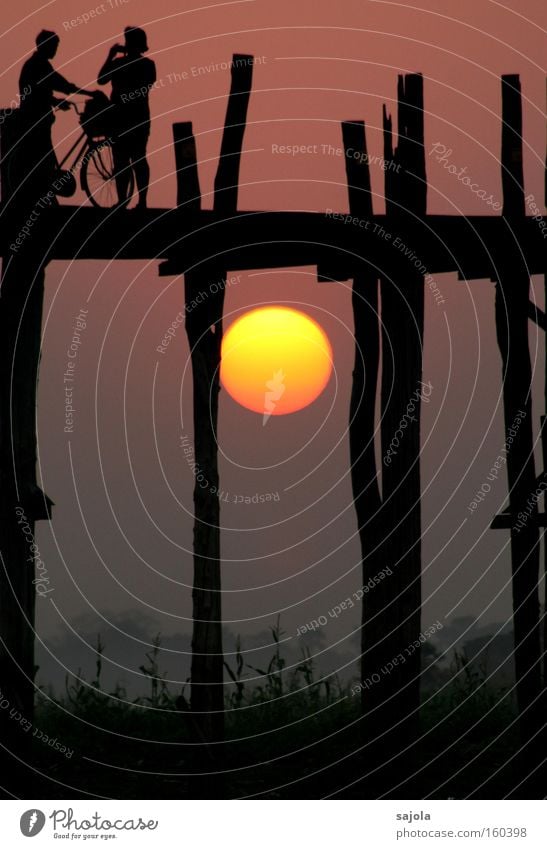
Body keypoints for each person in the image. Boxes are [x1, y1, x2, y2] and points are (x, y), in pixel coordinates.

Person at [18, 30, 95, 202]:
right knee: (44, 158)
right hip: (35, 119)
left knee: (46, 157)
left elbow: (41, 89)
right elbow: (61, 84)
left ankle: (47, 195)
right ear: (46, 46)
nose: (56, 49)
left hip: (37, 117)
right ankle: (47, 195)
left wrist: (55, 101)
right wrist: (89, 93)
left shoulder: (35, 64)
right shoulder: (39, 65)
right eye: (54, 46)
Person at [97, 27, 156, 209]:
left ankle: (134, 200)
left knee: (130, 159)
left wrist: (112, 56)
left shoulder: (143, 65)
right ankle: (133, 201)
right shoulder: (144, 64)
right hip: (131, 118)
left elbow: (102, 79)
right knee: (129, 159)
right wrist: (112, 56)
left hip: (127, 118)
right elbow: (101, 80)